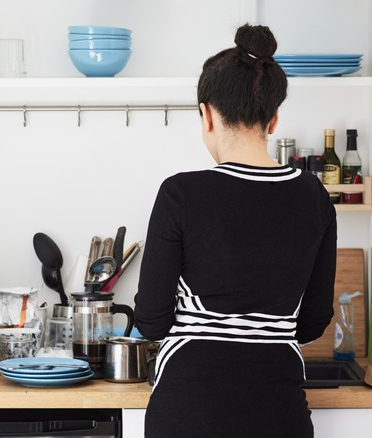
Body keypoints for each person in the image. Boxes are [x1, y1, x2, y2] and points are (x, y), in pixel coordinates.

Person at [134, 24, 337, 437]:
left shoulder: (180, 194)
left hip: (188, 414)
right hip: (279, 415)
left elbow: (152, 321)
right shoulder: (315, 197)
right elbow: (313, 320)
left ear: (207, 114)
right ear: (274, 119)